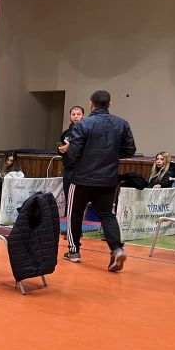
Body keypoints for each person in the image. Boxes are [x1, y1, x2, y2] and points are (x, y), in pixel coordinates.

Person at [63, 90, 136, 272]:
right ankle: (117, 249)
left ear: (90, 105)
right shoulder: (122, 123)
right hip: (107, 179)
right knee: (107, 214)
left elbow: (73, 153)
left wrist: (70, 151)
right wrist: (110, 155)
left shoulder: (83, 124)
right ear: (109, 104)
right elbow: (130, 150)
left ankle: (74, 251)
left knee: (74, 214)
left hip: (82, 179)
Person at [58, 106, 85, 202]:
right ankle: (68, 212)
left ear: (83, 116)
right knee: (68, 196)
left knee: (80, 198)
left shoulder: (86, 131)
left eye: (78, 114)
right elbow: (60, 148)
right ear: (70, 116)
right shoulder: (65, 133)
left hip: (82, 169)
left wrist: (71, 147)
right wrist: (62, 150)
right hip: (68, 169)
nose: (76, 116)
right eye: (73, 114)